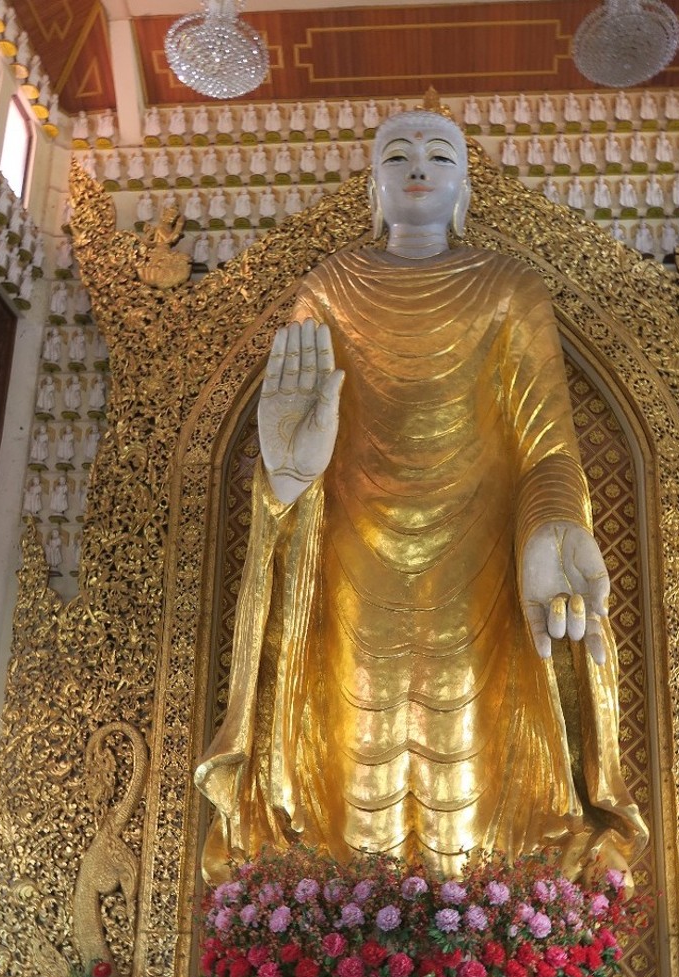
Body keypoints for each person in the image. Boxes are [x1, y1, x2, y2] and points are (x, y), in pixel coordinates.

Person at [195, 109, 646, 881]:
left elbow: (548, 449)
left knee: (463, 758)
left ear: (463, 186)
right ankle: (342, 946)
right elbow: (294, 428)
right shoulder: (330, 288)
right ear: (374, 187)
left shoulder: (510, 289)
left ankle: (478, 952)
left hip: (477, 562)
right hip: (350, 552)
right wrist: (289, 477)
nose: (417, 165)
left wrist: (556, 526)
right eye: (396, 154)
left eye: (439, 155)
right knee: (351, 746)